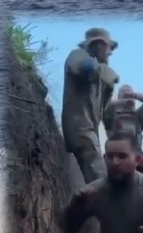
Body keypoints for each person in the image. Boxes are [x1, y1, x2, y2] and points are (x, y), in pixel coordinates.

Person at [62, 27, 120, 187]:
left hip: (90, 133)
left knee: (99, 179)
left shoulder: (104, 79)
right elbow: (85, 68)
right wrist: (107, 72)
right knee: (100, 180)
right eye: (108, 48)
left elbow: (107, 114)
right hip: (80, 129)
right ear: (99, 45)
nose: (110, 53)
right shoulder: (78, 55)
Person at [102, 84, 143, 172]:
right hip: (116, 156)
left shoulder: (138, 116)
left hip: (136, 156)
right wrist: (122, 101)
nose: (128, 98)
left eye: (130, 94)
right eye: (124, 94)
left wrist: (134, 95)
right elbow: (106, 109)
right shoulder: (112, 116)